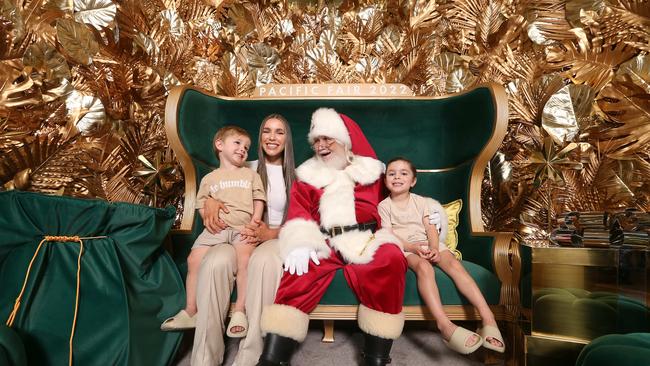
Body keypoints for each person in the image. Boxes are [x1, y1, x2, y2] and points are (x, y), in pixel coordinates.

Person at [257, 108, 407, 366]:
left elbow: (398, 198)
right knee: (298, 272)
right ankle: (272, 359)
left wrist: (430, 214)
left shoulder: (372, 173)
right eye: (316, 140)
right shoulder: (306, 177)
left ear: (345, 140)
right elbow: (298, 214)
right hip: (324, 243)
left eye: (328, 138)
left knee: (391, 257)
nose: (321, 145)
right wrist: (301, 242)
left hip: (366, 240)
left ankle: (376, 359)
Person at [192, 114, 297, 366]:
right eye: (266, 131)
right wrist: (210, 202)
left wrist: (269, 233)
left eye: (279, 132)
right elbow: (215, 187)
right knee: (215, 262)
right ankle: (204, 358)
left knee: (263, 262)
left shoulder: (297, 175)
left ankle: (251, 356)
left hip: (275, 234)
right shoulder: (243, 166)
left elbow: (303, 223)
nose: (272, 137)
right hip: (238, 233)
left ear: (287, 139)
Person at [378, 157, 505, 354]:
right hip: (405, 248)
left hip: (429, 243)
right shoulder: (384, 206)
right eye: (391, 173)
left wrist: (435, 248)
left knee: (454, 265)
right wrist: (413, 248)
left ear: (413, 181)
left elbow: (431, 229)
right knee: (424, 268)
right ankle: (444, 325)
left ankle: (488, 318)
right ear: (385, 180)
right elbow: (388, 234)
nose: (397, 177)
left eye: (404, 173)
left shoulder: (422, 202)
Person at [161, 126, 266, 337]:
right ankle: (191, 310)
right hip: (216, 229)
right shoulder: (210, 178)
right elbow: (201, 204)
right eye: (237, 143)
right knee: (193, 260)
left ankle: (239, 311)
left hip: (242, 227)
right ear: (220, 145)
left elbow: (259, 199)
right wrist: (208, 221)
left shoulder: (251, 175)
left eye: (246, 147)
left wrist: (255, 220)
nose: (243, 149)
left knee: (245, 262)